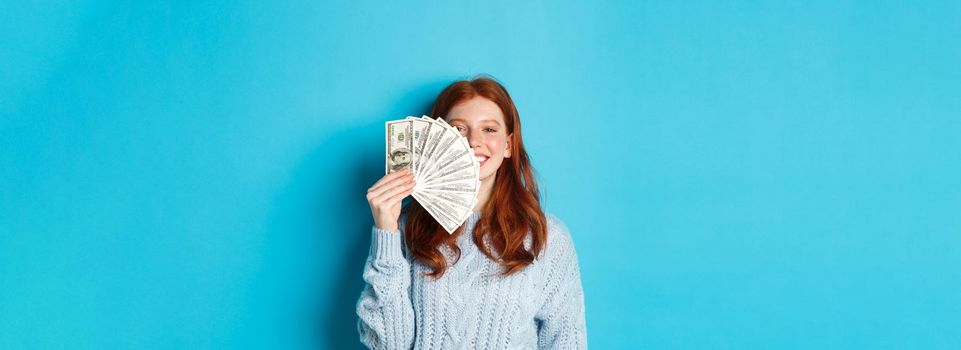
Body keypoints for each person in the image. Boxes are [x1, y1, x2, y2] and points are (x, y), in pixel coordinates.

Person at [357, 76, 587, 349]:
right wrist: (386, 230)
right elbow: (388, 345)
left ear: (508, 146)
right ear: (436, 141)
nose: (474, 141)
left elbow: (566, 340)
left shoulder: (548, 237)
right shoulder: (407, 228)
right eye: (458, 129)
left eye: (489, 129)